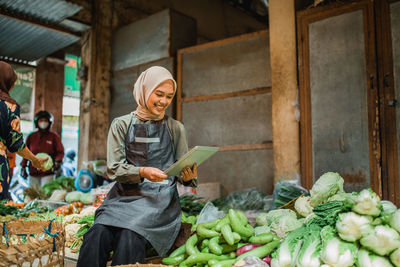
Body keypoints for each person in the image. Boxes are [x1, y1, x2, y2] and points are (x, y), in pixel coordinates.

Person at [77, 66, 197, 266]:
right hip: (122, 197)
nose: (164, 102)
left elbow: (183, 173)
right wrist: (142, 172)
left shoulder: (176, 128)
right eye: (158, 94)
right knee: (96, 235)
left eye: (169, 96)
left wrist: (188, 175)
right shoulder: (121, 125)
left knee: (130, 236)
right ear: (144, 90)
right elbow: (114, 169)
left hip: (158, 201)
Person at [0, 61, 47, 200]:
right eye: (12, 81)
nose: (13, 85)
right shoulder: (9, 106)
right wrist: (34, 159)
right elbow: (16, 144)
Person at [20, 110, 64, 187]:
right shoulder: (31, 136)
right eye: (41, 120)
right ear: (37, 122)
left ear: (49, 123)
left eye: (45, 121)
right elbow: (26, 153)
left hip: (48, 173)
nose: (43, 123)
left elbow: (60, 152)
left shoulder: (54, 137)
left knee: (45, 194)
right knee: (33, 194)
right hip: (33, 173)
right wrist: (23, 166)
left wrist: (57, 162)